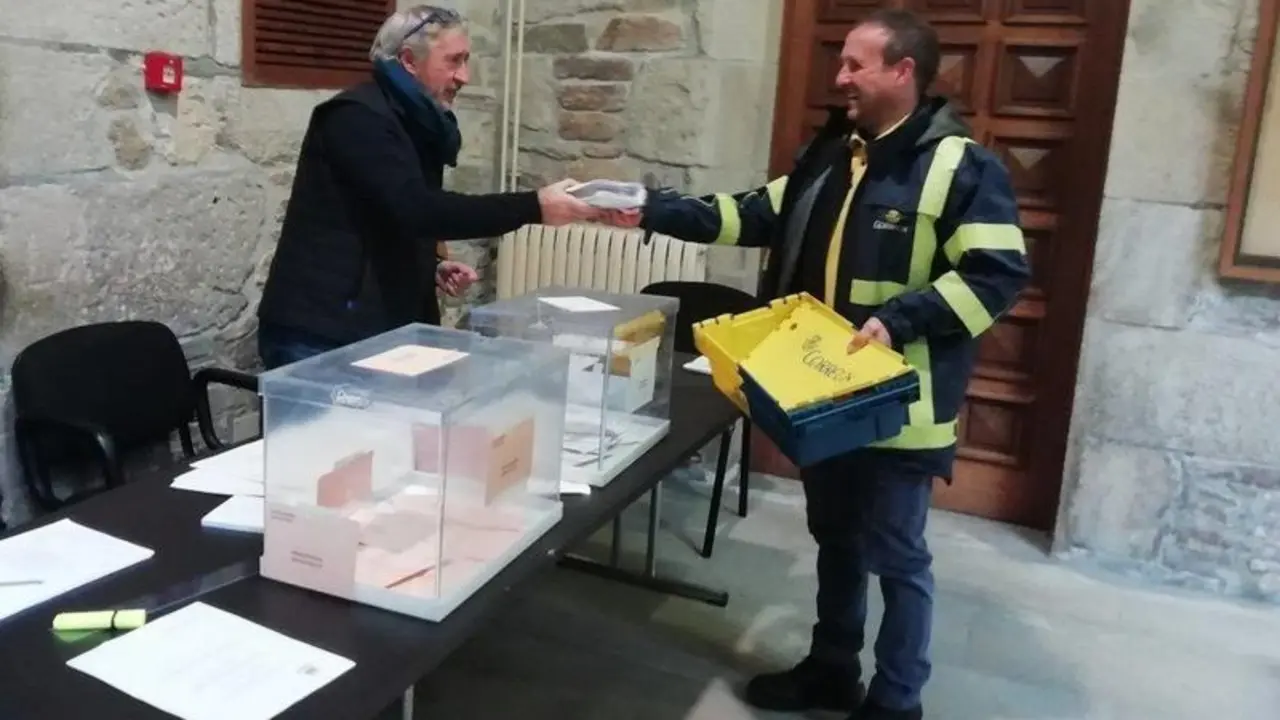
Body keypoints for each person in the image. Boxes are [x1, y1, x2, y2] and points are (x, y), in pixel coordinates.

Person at [601, 9, 1029, 720]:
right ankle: (832, 669)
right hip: (822, 399)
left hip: (903, 411)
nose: (839, 78)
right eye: (841, 63)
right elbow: (744, 215)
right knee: (834, 538)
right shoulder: (831, 155)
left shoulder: (962, 167)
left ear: (904, 72)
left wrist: (900, 319)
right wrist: (649, 208)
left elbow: (997, 275)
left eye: (855, 65)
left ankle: (897, 700)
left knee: (897, 556)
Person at [256, 5, 598, 369]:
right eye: (453, 61)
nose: (464, 76)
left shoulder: (415, 120)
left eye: (466, 60)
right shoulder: (356, 117)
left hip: (372, 324)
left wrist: (429, 265)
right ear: (407, 60)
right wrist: (536, 205)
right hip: (323, 332)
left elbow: (385, 214)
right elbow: (417, 209)